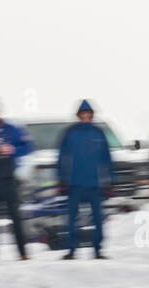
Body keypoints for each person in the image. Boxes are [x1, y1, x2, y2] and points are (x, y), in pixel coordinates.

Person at [57, 100, 113, 259]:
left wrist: (110, 181)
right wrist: (61, 179)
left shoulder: (98, 133)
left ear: (92, 115)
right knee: (71, 220)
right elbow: (61, 157)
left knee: (98, 219)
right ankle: (71, 250)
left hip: (95, 185)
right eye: (83, 114)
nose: (86, 116)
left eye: (88, 114)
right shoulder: (70, 133)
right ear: (79, 115)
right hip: (74, 184)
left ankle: (98, 250)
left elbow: (107, 158)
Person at [0, 101, 33, 260]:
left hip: (8, 181)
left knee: (16, 218)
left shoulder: (12, 131)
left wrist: (12, 149)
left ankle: (23, 253)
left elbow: (28, 146)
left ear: (0, 113)